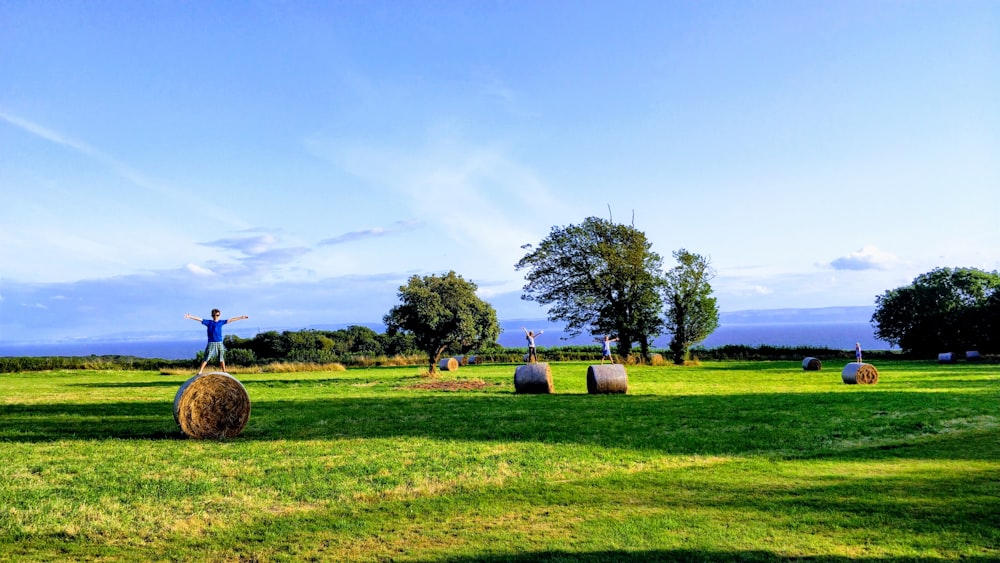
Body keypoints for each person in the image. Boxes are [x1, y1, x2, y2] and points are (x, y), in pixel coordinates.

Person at [185, 309, 249, 374]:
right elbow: (200, 319)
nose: (215, 316)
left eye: (217, 315)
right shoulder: (209, 322)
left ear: (219, 315)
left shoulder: (221, 322)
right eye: (214, 315)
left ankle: (224, 372)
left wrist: (241, 317)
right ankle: (200, 371)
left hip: (219, 343)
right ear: (212, 315)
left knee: (221, 358)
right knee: (206, 357)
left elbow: (231, 320)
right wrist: (190, 316)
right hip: (211, 343)